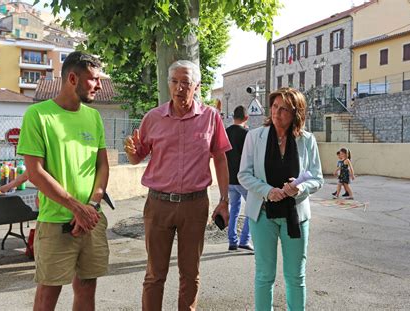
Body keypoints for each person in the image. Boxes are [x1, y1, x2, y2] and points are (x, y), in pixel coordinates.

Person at [123, 60, 231, 310]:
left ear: (197, 86)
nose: (179, 88)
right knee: (154, 274)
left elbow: (221, 158)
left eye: (185, 82)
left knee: (190, 274)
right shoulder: (153, 117)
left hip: (195, 205)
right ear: (168, 84)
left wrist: (224, 200)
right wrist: (131, 152)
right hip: (158, 204)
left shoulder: (210, 118)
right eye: (174, 82)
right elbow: (137, 156)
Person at [17, 51, 109, 311]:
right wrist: (75, 207)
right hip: (56, 222)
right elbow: (35, 172)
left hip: (91, 219)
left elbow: (102, 165)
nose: (99, 86)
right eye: (93, 79)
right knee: (48, 293)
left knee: (87, 287)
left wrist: (91, 205)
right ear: (72, 78)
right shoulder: (38, 115)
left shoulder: (93, 117)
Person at [238, 87, 323, 310]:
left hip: (295, 216)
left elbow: (317, 178)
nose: (277, 113)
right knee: (265, 275)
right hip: (263, 214)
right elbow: (243, 174)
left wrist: (300, 188)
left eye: (284, 109)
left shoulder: (307, 140)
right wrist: (267, 190)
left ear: (296, 112)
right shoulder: (255, 136)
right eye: (275, 106)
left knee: (296, 276)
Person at [225, 105, 253, 251]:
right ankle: (244, 240)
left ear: (232, 117)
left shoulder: (225, 132)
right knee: (252, 209)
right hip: (244, 179)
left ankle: (232, 241)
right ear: (246, 118)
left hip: (228, 179)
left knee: (234, 209)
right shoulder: (247, 134)